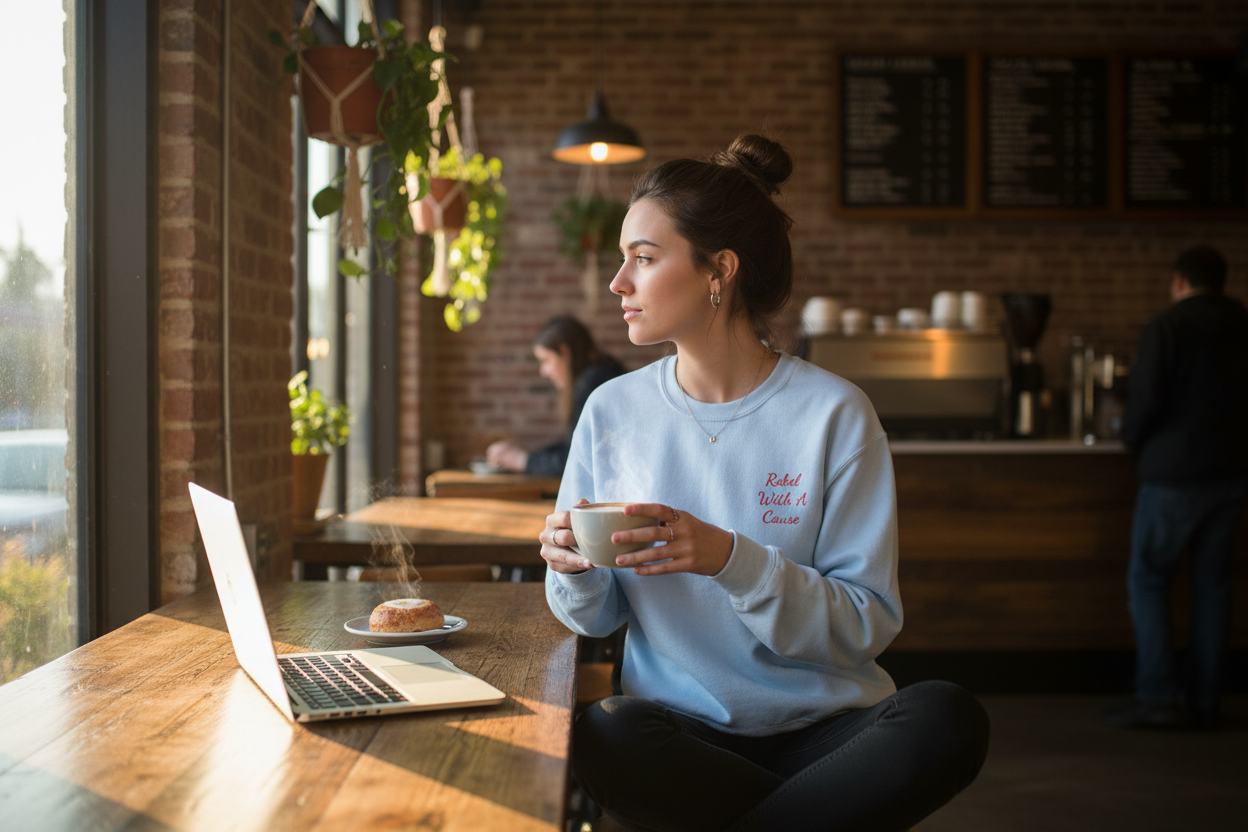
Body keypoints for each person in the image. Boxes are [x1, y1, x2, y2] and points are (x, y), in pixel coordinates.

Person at [538, 135, 989, 831]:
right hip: (681, 734)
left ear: (719, 270)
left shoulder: (834, 413)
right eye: (623, 260)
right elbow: (596, 619)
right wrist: (571, 567)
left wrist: (731, 558)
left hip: (831, 737)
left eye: (644, 259)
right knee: (603, 731)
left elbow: (867, 623)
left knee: (946, 717)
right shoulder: (613, 411)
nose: (617, 283)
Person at [1107, 246, 1248, 731]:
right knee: (1214, 588)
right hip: (1233, 474)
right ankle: (1206, 701)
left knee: (1149, 582)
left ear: (1179, 281)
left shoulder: (1168, 327)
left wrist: (1130, 441)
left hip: (1173, 477)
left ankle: (1157, 698)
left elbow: (1145, 402)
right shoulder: (1242, 324)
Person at [486, 316, 625, 477]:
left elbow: (577, 459)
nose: (543, 371)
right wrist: (524, 456)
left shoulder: (593, 383)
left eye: (546, 360)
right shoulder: (600, 374)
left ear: (564, 353)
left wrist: (523, 460)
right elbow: (573, 445)